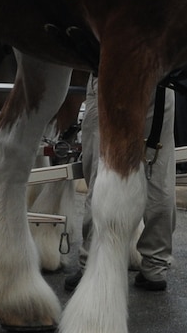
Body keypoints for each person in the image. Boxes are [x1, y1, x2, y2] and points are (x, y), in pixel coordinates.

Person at [64, 77, 178, 293]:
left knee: (101, 167)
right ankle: (155, 265)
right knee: (158, 171)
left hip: (112, 76)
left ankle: (91, 260)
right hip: (162, 80)